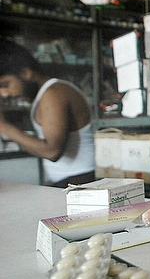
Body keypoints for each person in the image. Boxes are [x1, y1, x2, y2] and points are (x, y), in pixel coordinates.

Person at [0, 38, 95, 187]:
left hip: (81, 181)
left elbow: (52, 151)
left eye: (5, 85)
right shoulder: (44, 95)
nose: (4, 94)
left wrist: (3, 126)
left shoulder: (53, 93)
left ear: (26, 73)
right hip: (70, 180)